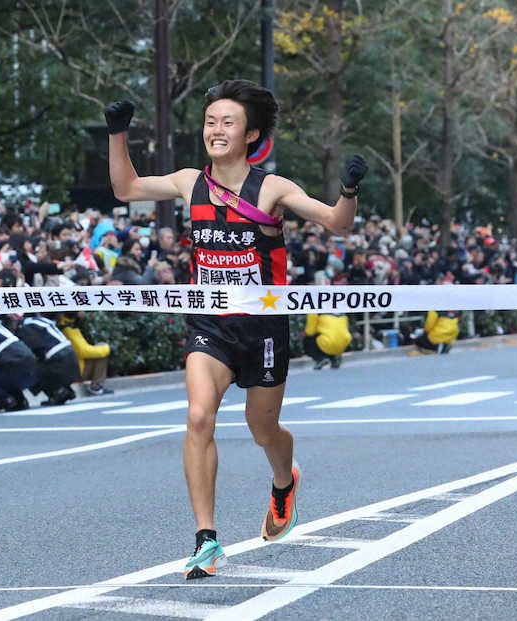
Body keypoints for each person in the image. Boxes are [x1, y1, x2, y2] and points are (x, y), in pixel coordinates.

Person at [104, 79, 367, 580]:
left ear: (251, 135)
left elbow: (338, 224)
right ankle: (206, 539)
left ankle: (283, 481)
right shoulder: (188, 182)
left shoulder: (274, 188)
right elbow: (126, 189)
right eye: (210, 122)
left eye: (227, 122)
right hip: (210, 322)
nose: (216, 130)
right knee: (199, 416)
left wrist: (348, 190)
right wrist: (118, 133)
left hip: (264, 326)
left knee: (261, 428)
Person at [14, 314, 81, 406]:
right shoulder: (40, 320)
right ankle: (65, 390)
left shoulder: (25, 326)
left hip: (58, 358)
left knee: (29, 369)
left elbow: (33, 349)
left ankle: (57, 392)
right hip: (70, 354)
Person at [57, 311, 113, 396]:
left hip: (76, 368)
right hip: (77, 372)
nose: (83, 312)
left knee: (100, 348)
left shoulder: (67, 324)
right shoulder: (67, 328)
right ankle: (96, 386)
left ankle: (96, 386)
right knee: (102, 350)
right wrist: (107, 348)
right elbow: (84, 351)